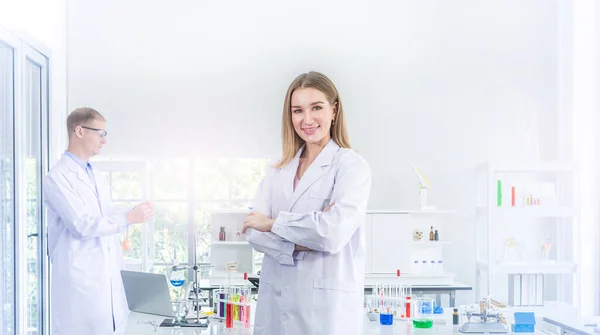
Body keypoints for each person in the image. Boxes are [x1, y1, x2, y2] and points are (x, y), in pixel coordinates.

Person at [242, 71, 372, 335]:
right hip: (275, 307)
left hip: (325, 314)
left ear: (334, 110)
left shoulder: (350, 166)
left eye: (317, 108)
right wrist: (309, 232)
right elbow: (253, 232)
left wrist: (272, 223)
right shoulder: (277, 170)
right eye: (298, 110)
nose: (307, 119)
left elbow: (332, 234)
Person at [43, 107, 154, 335]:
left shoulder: (93, 173)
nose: (104, 140)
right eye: (100, 133)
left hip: (105, 280)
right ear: (80, 131)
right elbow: (82, 224)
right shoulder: (57, 177)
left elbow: (106, 213)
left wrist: (132, 211)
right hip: (81, 284)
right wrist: (128, 218)